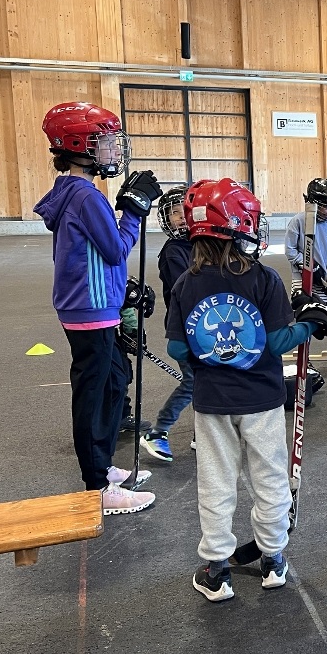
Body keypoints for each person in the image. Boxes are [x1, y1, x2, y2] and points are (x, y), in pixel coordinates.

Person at [165, 177, 327, 602]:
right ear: (239, 225)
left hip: (212, 403)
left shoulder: (186, 282)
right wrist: (309, 325)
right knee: (270, 478)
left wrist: (207, 367)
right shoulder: (264, 279)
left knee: (216, 483)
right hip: (261, 401)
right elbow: (276, 342)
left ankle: (216, 568)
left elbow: (177, 347)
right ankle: (273, 558)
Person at [33, 101, 160, 516]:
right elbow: (115, 250)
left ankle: (103, 464)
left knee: (110, 382)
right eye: (102, 142)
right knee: (94, 391)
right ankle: (97, 485)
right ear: (76, 146)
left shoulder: (77, 191)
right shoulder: (85, 196)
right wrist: (133, 213)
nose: (111, 151)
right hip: (90, 309)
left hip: (93, 305)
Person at [139, 184, 193, 462]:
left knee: (210, 378)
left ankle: (205, 433)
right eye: (175, 213)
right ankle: (158, 432)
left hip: (202, 326)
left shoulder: (200, 243)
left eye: (185, 210)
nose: (181, 217)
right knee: (193, 382)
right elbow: (185, 291)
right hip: (185, 329)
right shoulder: (173, 253)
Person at [286, 178, 327, 372]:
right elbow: (290, 251)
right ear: (311, 202)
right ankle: (304, 356)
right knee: (307, 315)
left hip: (326, 278)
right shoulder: (299, 221)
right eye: (323, 207)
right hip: (303, 278)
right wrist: (308, 267)